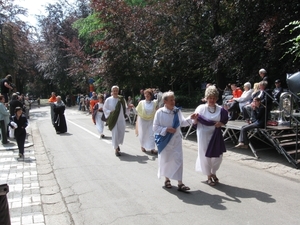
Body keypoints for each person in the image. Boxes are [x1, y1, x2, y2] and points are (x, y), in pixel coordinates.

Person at [153, 91, 195, 192]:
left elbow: (183, 123)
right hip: (165, 141)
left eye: (174, 99)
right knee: (166, 160)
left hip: (176, 141)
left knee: (178, 160)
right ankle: (167, 180)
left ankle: (180, 183)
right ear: (165, 101)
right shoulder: (159, 112)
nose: (173, 101)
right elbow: (155, 128)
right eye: (171, 100)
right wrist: (166, 129)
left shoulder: (177, 111)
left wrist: (191, 118)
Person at [193, 86, 229, 186]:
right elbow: (194, 121)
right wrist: (195, 118)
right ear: (206, 98)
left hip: (216, 135)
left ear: (216, 98)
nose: (212, 100)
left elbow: (225, 120)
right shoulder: (201, 108)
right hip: (203, 134)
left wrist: (220, 124)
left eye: (214, 98)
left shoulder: (220, 109)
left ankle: (213, 172)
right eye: (210, 98)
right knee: (205, 154)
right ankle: (208, 175)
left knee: (218, 155)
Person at [103, 85, 127, 156]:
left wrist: (130, 107)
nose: (115, 92)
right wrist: (110, 111)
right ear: (112, 92)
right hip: (113, 119)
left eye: (116, 91)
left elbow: (125, 108)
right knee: (115, 134)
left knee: (121, 133)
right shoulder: (108, 100)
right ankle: (116, 149)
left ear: (118, 91)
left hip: (121, 119)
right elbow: (105, 109)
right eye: (114, 91)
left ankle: (117, 144)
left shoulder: (121, 99)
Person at [135, 88, 158, 155]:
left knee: (152, 134)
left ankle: (152, 148)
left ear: (151, 95)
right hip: (142, 120)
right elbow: (137, 111)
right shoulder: (141, 103)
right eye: (145, 94)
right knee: (142, 134)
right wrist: (133, 107)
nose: (146, 96)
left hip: (151, 120)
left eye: (148, 95)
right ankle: (142, 146)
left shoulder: (154, 103)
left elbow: (161, 100)